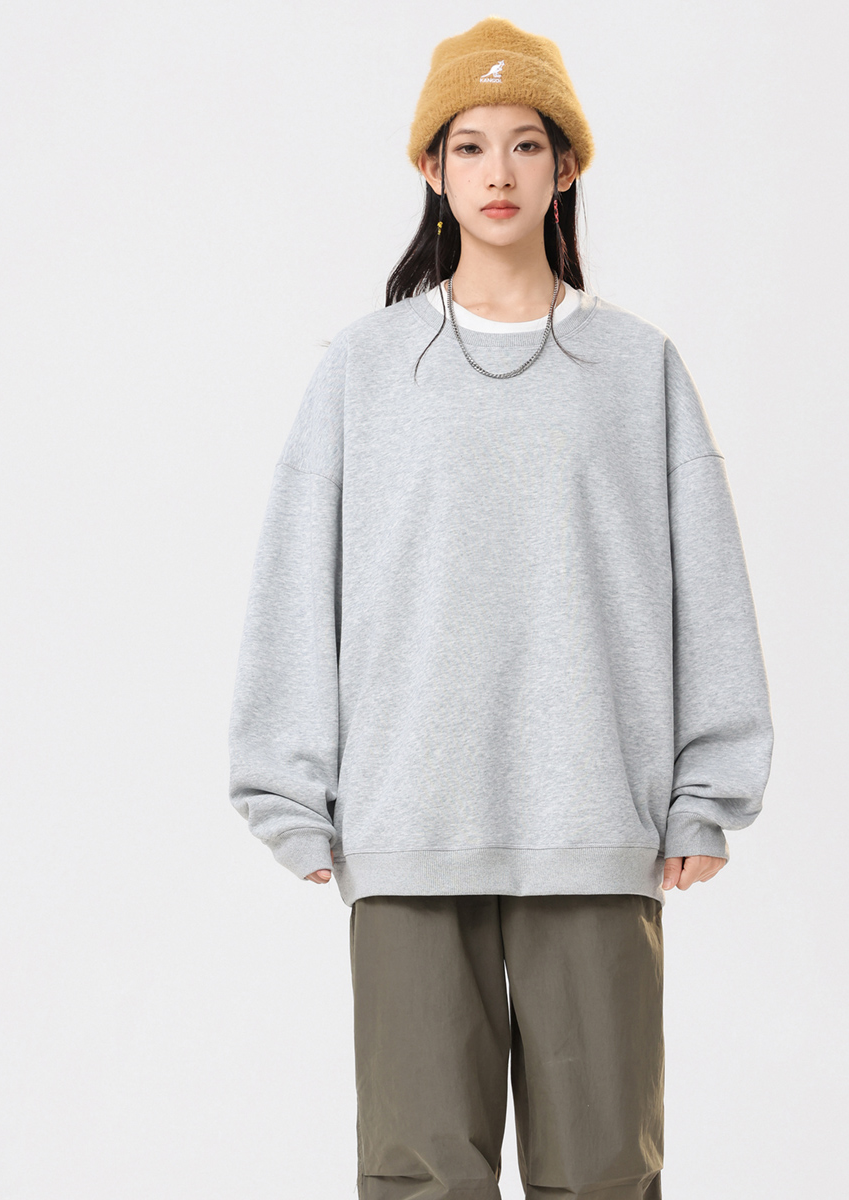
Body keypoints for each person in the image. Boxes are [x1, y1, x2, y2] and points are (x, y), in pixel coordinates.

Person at [228, 16, 774, 1200]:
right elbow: (298, 578)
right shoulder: (365, 369)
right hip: (408, 822)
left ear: (565, 165)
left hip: (595, 816)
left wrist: (708, 787)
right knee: (420, 1174)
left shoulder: (638, 368)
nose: (498, 173)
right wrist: (287, 785)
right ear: (432, 169)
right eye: (469, 147)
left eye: (525, 144)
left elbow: (707, 585)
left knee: (604, 1173)